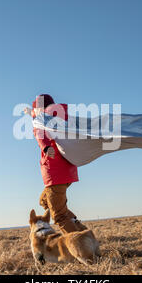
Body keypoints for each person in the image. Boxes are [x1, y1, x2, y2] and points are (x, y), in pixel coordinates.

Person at [24, 94, 88, 234]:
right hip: (67, 171)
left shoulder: (40, 122)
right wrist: (30, 112)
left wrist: (46, 148)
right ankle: (76, 224)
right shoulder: (61, 119)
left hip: (55, 173)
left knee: (59, 216)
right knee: (44, 201)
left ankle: (82, 244)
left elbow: (39, 133)